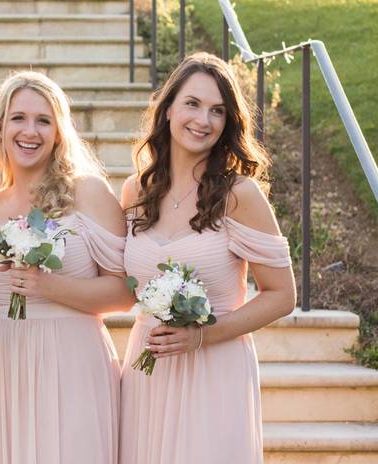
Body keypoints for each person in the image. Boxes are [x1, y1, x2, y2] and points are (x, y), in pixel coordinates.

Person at [119, 53, 297, 464]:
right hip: (148, 368)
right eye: (193, 104)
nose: (204, 120)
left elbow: (282, 295)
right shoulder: (135, 193)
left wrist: (202, 335)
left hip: (215, 369)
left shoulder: (239, 195)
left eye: (218, 111)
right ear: (167, 111)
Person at [0, 70, 132, 464]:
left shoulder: (88, 192)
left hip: (72, 365)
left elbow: (126, 292)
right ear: (0, 128)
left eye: (44, 120)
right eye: (19, 118)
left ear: (59, 133)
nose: (31, 130)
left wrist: (48, 287)